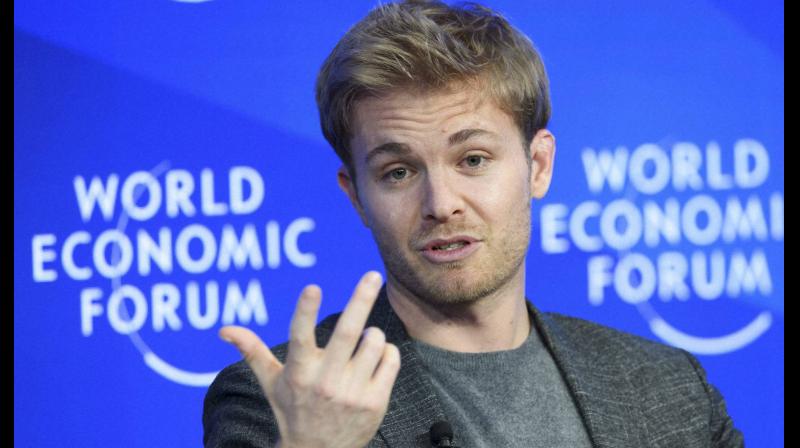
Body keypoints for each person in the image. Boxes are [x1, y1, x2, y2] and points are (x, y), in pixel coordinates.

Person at [203, 1, 744, 446]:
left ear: (538, 166)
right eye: (397, 171)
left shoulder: (669, 390)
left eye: (473, 160)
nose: (441, 203)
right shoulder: (278, 402)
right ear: (357, 197)